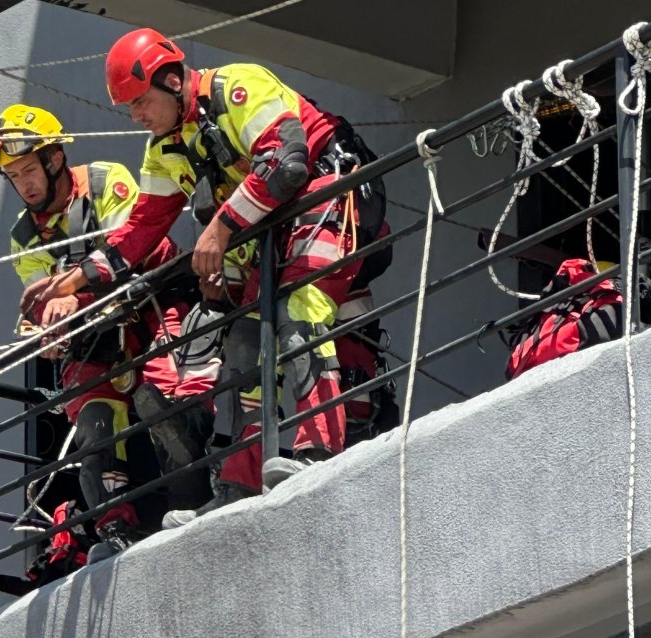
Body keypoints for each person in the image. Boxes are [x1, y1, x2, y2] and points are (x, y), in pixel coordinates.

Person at [19, 28, 389, 527]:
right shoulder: (163, 151)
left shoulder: (237, 85)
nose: (136, 116)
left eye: (141, 102)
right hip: (271, 230)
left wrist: (219, 229)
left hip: (332, 195)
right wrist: (70, 282)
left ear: (172, 81)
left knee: (299, 309)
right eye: (128, 107)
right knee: (241, 343)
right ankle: (238, 483)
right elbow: (138, 231)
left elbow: (288, 160)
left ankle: (317, 449)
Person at [0, 104, 217, 561]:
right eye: (14, 176)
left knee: (167, 393)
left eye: (30, 169)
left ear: (54, 160)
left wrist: (74, 299)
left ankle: (192, 498)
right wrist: (49, 332)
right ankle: (114, 528)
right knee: (94, 421)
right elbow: (44, 304)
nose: (25, 184)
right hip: (95, 334)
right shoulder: (24, 238)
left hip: (154, 298)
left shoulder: (103, 182)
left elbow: (127, 252)